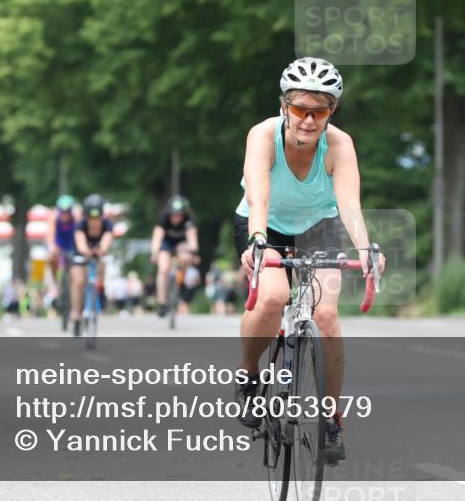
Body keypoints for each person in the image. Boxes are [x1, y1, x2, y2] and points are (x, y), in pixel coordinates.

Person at [232, 57, 385, 464]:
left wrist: (366, 250)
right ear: (285, 106)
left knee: (328, 316)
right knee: (270, 298)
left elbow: (349, 205)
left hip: (319, 227)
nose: (309, 119)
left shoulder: (339, 145)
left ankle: (331, 418)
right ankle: (248, 376)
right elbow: (258, 198)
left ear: (331, 111)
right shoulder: (263, 136)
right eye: (301, 109)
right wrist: (258, 242)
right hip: (264, 225)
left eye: (320, 110)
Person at [71, 193, 114, 336]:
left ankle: (100, 290)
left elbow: (107, 241)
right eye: (91, 218)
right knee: (79, 281)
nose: (94, 222)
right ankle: (76, 316)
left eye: (97, 218)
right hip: (81, 253)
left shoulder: (107, 225)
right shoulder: (81, 224)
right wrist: (87, 252)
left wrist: (102, 250)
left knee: (102, 263)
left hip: (98, 251)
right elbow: (80, 243)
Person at [150, 195, 200, 318]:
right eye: (174, 215)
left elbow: (192, 239)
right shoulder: (163, 218)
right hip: (166, 243)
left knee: (186, 257)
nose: (176, 218)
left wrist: (194, 253)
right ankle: (162, 303)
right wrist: (155, 253)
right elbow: (157, 237)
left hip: (181, 244)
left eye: (179, 215)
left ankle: (180, 281)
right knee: (163, 269)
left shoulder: (188, 220)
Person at [46, 194, 78, 284]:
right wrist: (51, 246)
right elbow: (50, 234)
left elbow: (80, 234)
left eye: (67, 211)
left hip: (72, 246)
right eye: (62, 211)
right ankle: (54, 282)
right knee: (51, 258)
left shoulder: (76, 219)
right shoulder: (54, 218)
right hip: (58, 246)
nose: (65, 214)